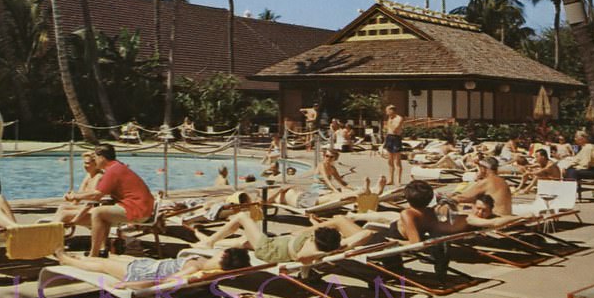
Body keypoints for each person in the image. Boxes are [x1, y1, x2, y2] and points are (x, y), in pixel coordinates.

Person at [64, 144, 154, 257]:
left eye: (95, 158)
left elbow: (97, 195)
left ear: (102, 157)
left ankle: (93, 255)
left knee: (98, 212)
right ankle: (102, 250)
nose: (95, 161)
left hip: (138, 210)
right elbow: (101, 193)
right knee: (103, 213)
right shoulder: (116, 167)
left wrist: (76, 196)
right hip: (141, 207)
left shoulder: (112, 171)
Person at [195, 212, 377, 264]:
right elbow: (367, 233)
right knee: (242, 241)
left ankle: (209, 241)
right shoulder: (338, 245)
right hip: (274, 244)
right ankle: (204, 239)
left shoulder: (311, 250)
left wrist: (317, 254)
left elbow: (301, 258)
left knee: (242, 217)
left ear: (314, 239)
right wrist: (342, 246)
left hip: (269, 248)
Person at [54, 246, 251, 289]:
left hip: (141, 273)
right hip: (147, 265)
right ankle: (77, 257)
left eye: (222, 251)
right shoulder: (204, 264)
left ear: (223, 255)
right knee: (113, 258)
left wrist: (130, 284)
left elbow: (164, 281)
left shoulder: (193, 268)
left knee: (104, 264)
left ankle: (66, 260)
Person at [389, 181, 521, 244]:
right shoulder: (468, 211)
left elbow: (495, 221)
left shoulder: (472, 219)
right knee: (381, 217)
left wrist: (523, 216)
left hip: (409, 228)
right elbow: (459, 206)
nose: (479, 212)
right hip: (425, 221)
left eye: (484, 211)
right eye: (478, 207)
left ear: (490, 211)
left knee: (381, 222)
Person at [53, 152, 104, 225]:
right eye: (84, 163)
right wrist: (71, 201)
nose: (85, 166)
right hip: (85, 208)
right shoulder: (88, 175)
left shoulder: (99, 177)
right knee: (62, 207)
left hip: (94, 211)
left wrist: (75, 220)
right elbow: (78, 196)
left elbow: (92, 202)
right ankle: (52, 231)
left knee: (64, 214)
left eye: (87, 163)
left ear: (96, 164)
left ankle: (52, 233)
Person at [383, 105, 404, 186]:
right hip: (389, 138)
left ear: (392, 110)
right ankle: (390, 179)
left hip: (396, 138)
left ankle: (398, 180)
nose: (386, 113)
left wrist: (390, 123)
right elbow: (388, 130)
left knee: (397, 161)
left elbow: (395, 130)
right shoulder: (389, 118)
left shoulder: (399, 118)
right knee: (390, 160)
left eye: (387, 111)